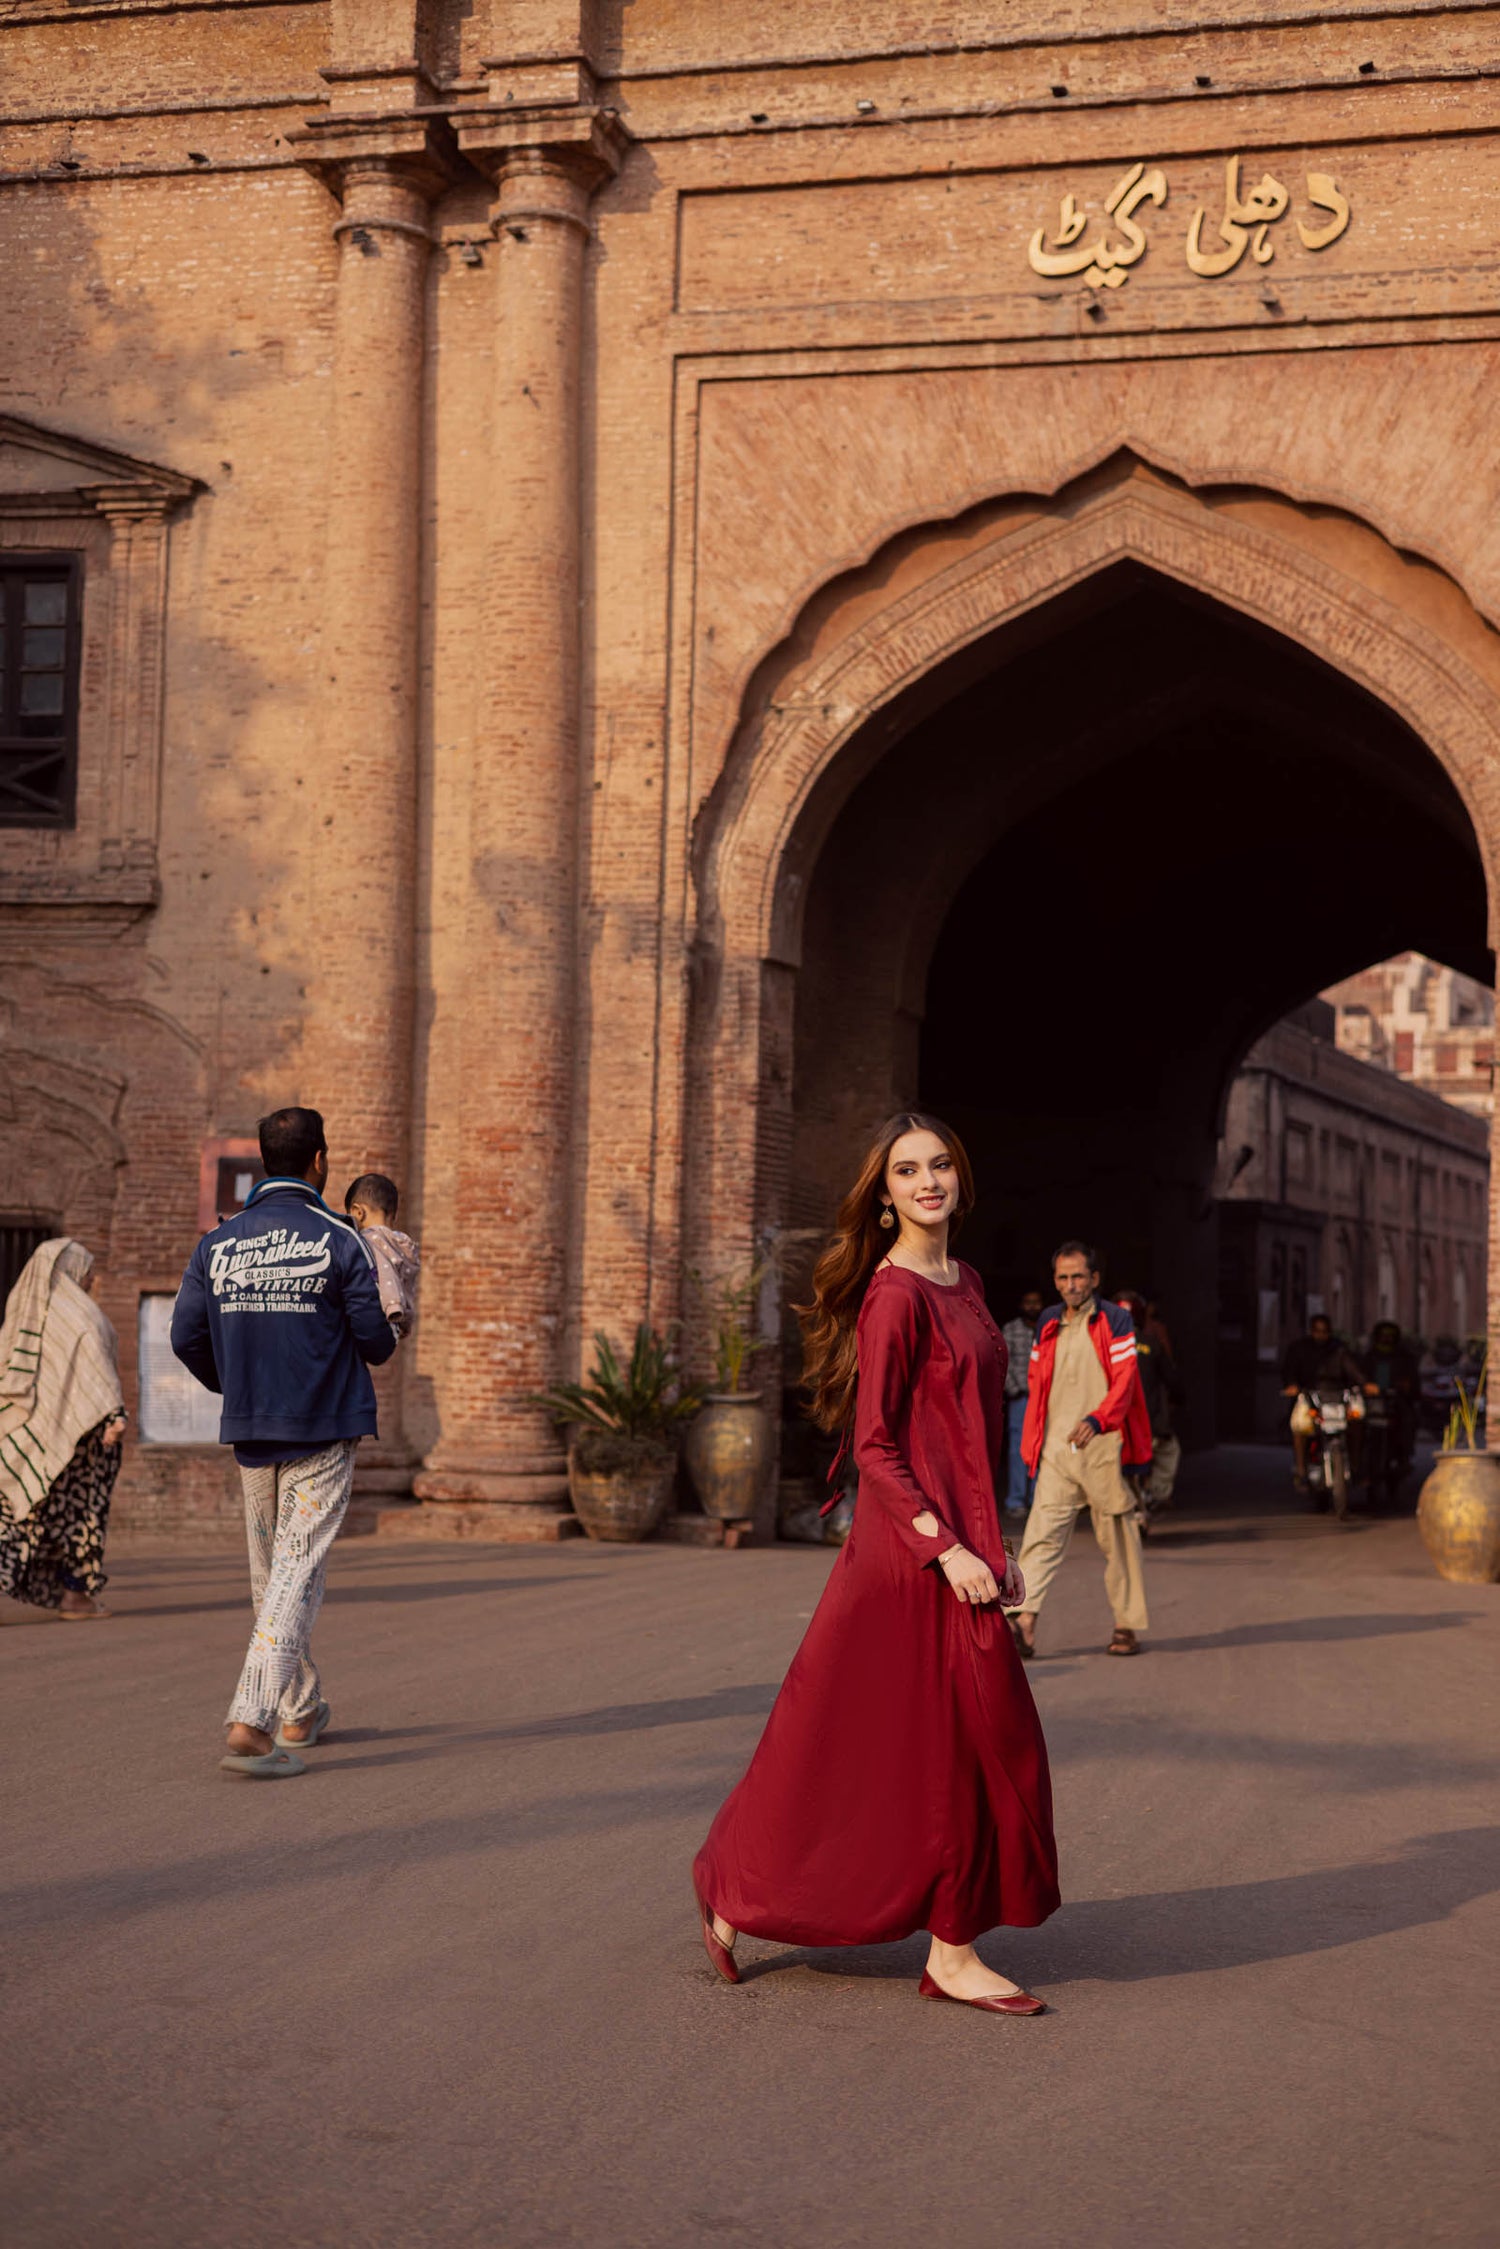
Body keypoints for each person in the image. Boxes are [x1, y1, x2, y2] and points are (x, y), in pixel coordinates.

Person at [693, 1112, 1059, 2015]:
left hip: (962, 1549)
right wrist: (945, 1546)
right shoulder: (895, 1294)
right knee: (876, 1746)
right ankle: (760, 1895)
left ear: (959, 1180)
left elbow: (972, 1436)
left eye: (940, 1164)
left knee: (939, 1747)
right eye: (907, 1170)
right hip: (907, 1560)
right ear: (885, 1194)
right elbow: (875, 1447)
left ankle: (941, 1940)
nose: (927, 1180)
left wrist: (993, 1542)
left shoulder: (966, 1280)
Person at [172, 1106, 396, 1778]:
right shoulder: (339, 1238)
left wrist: (235, 1383)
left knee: (272, 1572)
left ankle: (298, 1706)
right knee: (294, 1573)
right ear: (319, 1160)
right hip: (322, 1429)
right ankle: (251, 1719)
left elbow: (185, 1337)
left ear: (263, 1160)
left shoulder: (218, 1243)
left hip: (251, 1428)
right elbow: (376, 1342)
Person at [1005, 1241, 1153, 1660]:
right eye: (1062, 1278)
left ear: (1094, 1279)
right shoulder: (1049, 1322)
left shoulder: (1116, 1319)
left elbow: (1125, 1382)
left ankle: (1126, 1624)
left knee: (1118, 1539)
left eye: (1077, 1277)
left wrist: (1098, 1419)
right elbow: (1037, 1382)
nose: (1070, 1285)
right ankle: (1025, 1621)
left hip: (1103, 1446)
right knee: (1040, 1536)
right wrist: (1034, 1439)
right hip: (1056, 1449)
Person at [0, 1238, 127, 1620]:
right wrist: (113, 1416)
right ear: (71, 1270)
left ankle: (69, 1596)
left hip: (30, 1432)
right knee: (80, 1516)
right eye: (87, 1271)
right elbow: (96, 1368)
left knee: (22, 1515)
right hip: (82, 1438)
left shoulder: (25, 1308)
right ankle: (74, 1596)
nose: (91, 1279)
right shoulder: (80, 1314)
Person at [1115, 1287, 1185, 1527]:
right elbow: (1172, 1379)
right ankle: (1155, 1494)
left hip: (1112, 1423)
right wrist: (1178, 1400)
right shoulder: (1150, 1343)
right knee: (1169, 1451)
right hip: (1150, 1422)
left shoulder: (1103, 1345)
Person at [1280, 1313, 1364, 1490]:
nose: (1321, 1336)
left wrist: (1365, 1383)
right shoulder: (1299, 1349)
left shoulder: (1338, 1349)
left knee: (1357, 1420)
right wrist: (1292, 1386)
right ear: (1311, 1331)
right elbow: (1289, 1371)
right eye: (1318, 1331)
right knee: (1300, 1426)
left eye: (1325, 1332)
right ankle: (1301, 1470)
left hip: (1337, 1396)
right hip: (1309, 1396)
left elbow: (1353, 1370)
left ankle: (1356, 1467)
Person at [344, 1172, 421, 1337]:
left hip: (386, 1309)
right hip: (401, 1315)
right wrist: (406, 1320)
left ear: (358, 1212)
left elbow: (387, 1277)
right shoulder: (399, 1244)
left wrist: (393, 1307)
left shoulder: (371, 1239)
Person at [1359, 1318, 1419, 1492]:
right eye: (1383, 1336)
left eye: (1390, 1336)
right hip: (1372, 1403)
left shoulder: (1404, 1358)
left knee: (1407, 1421)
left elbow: (1413, 1384)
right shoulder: (1369, 1357)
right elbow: (1360, 1377)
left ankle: (1403, 1458)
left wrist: (1405, 1387)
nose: (1386, 1339)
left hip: (1396, 1402)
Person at [1000, 1286, 1043, 1515]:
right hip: (1021, 1399)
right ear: (1021, 1305)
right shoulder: (1011, 1329)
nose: (1032, 1307)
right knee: (1017, 1451)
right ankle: (1016, 1501)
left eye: (1036, 1302)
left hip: (1045, 1399)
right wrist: (1014, 1389)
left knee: (1042, 1449)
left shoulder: (1049, 1328)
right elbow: (1000, 1359)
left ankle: (1038, 1499)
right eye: (1028, 1302)